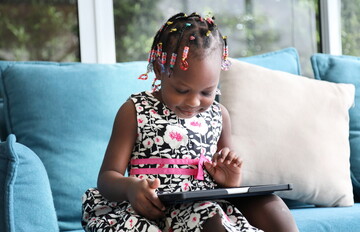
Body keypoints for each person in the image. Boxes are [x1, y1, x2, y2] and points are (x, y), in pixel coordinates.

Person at [81, 12, 298, 232]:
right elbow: (107, 178)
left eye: (207, 91)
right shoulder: (135, 110)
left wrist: (229, 180)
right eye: (182, 90)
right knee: (209, 217)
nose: (194, 102)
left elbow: (226, 179)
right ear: (160, 69)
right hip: (154, 210)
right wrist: (130, 188)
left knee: (272, 206)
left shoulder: (219, 115)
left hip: (206, 204)